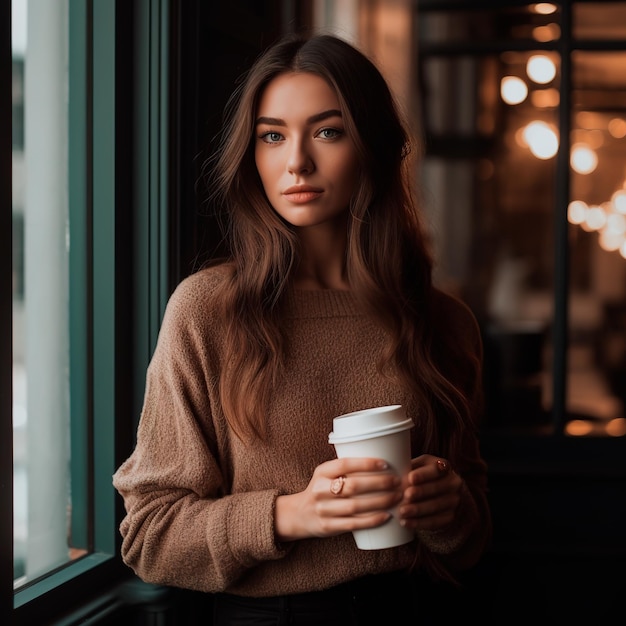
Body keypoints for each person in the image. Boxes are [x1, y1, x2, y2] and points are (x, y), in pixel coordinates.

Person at [112, 32, 491, 625]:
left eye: (327, 131)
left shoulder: (443, 321)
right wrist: (293, 515)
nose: (296, 162)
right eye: (272, 135)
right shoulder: (206, 311)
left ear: (371, 146)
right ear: (252, 153)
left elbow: (472, 541)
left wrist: (450, 508)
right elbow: (149, 536)